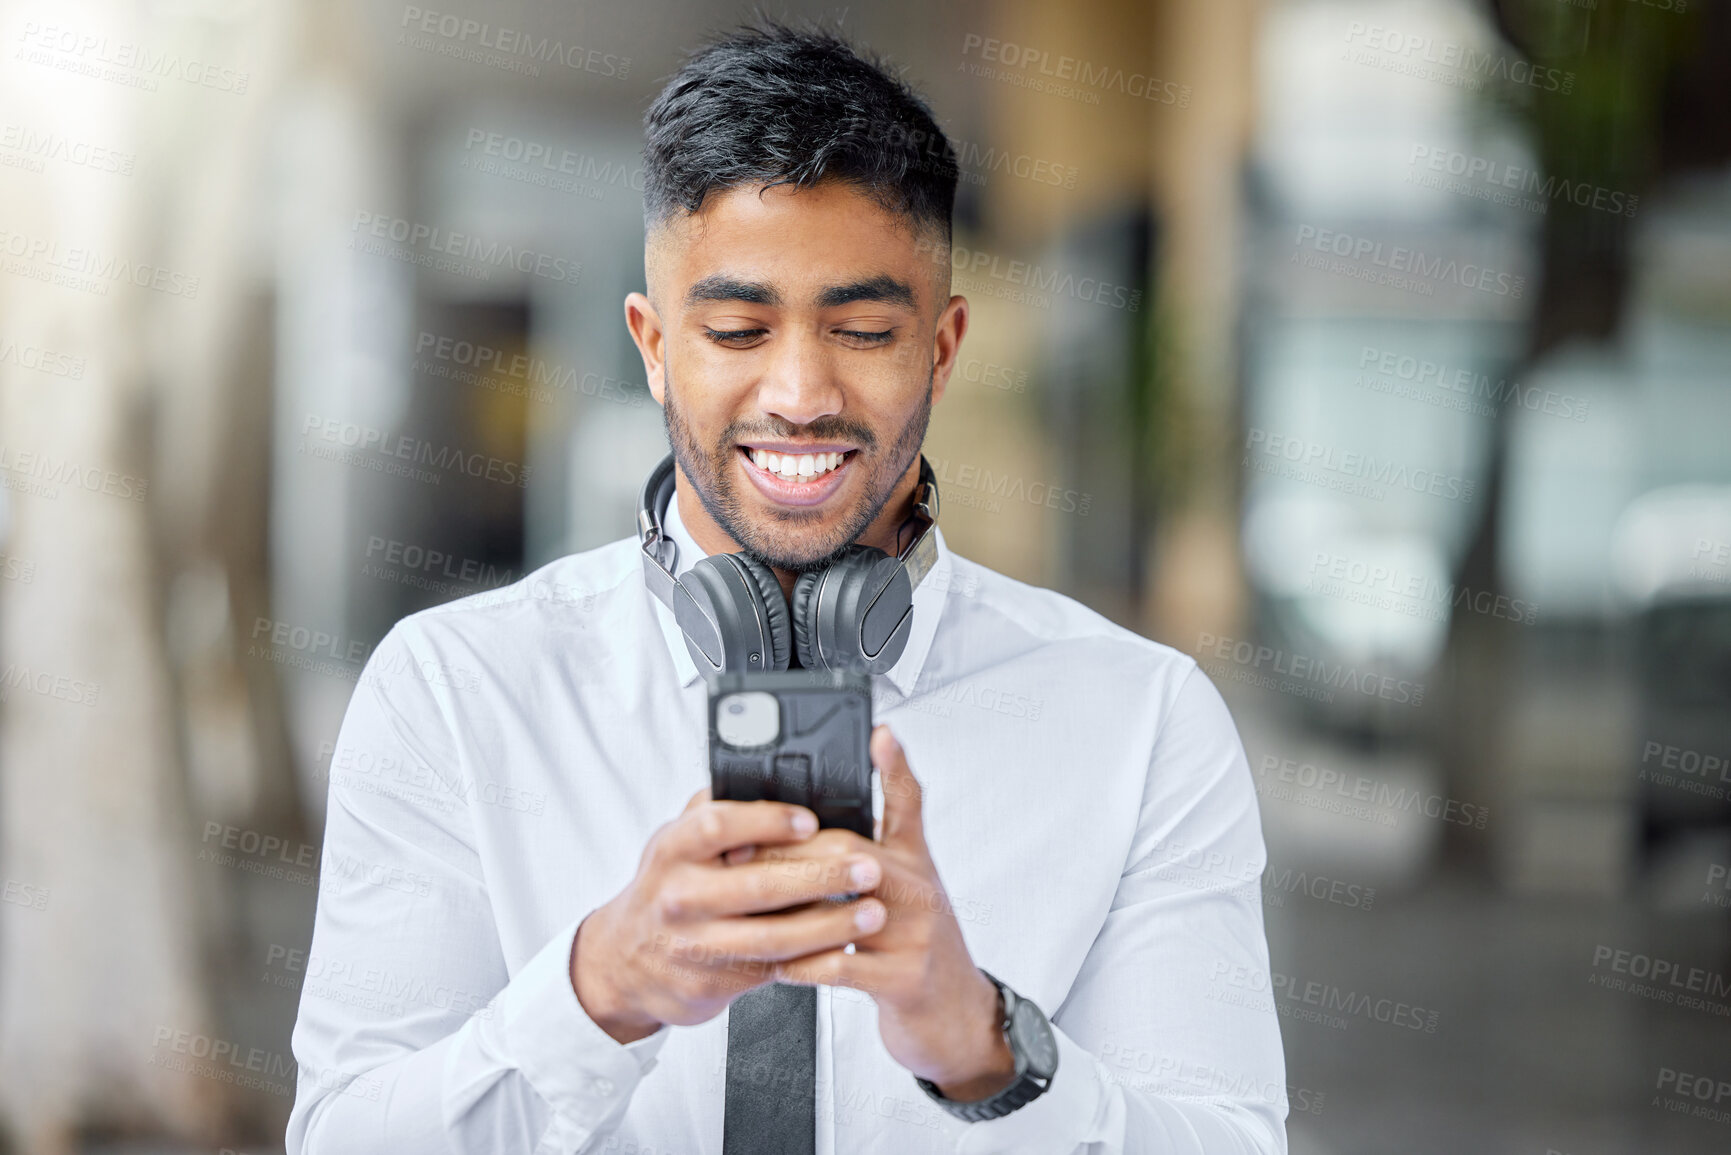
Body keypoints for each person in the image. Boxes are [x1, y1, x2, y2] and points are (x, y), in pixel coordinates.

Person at [286, 18, 1286, 1155]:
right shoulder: (452, 693)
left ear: (945, 350)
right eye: (736, 328)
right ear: (654, 345)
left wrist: (981, 1042)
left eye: (862, 328)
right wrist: (597, 988)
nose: (801, 392)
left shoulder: (1145, 724)